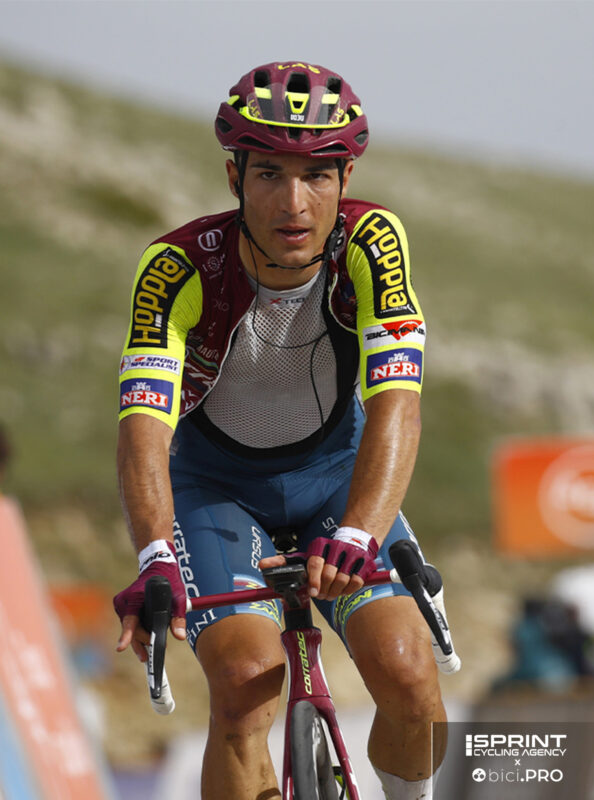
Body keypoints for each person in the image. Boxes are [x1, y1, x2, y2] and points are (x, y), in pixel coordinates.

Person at [114, 61, 448, 800]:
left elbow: (398, 403)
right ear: (234, 176)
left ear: (345, 177)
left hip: (336, 479)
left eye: (317, 175)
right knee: (242, 684)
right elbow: (143, 428)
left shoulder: (371, 241)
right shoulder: (176, 268)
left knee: (407, 670)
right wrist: (153, 557)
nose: (293, 204)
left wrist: (360, 532)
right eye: (269, 174)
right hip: (215, 490)